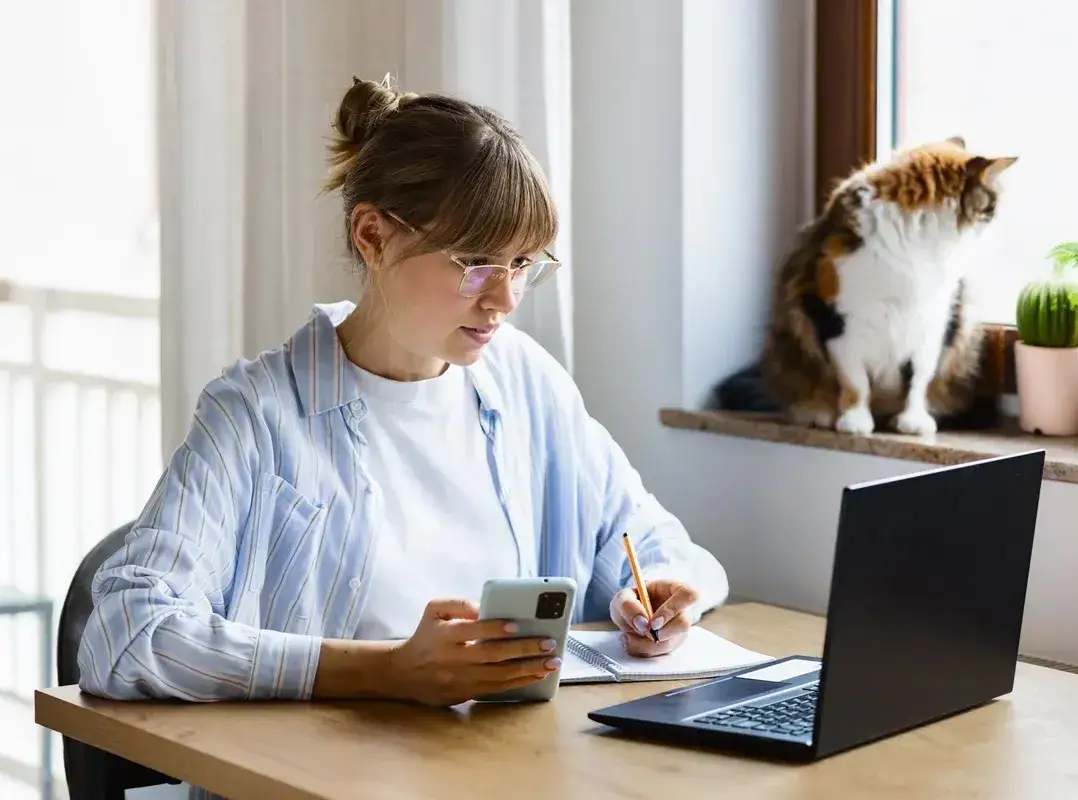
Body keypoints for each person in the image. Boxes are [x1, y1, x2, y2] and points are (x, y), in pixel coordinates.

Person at [77, 75, 729, 708]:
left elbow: (661, 548)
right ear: (373, 236)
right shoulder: (256, 414)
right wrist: (385, 671)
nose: (505, 299)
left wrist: (669, 596)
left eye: (524, 265)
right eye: (477, 263)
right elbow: (125, 634)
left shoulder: (527, 382)